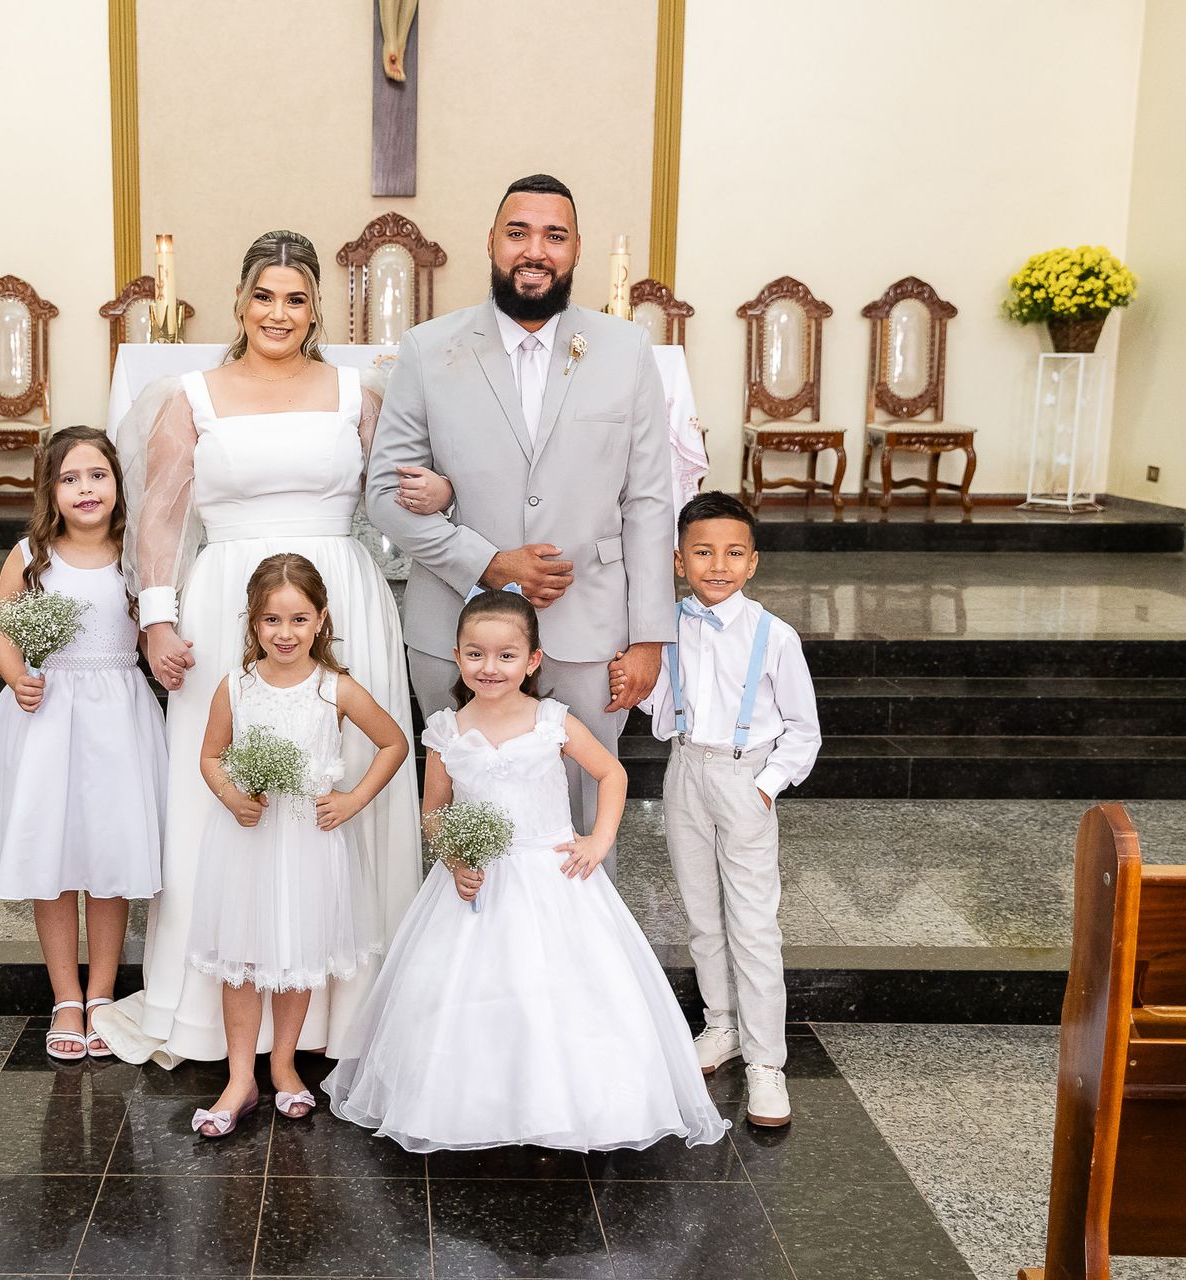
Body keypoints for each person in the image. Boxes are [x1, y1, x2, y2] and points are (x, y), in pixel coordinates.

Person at [93, 230, 425, 1067]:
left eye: (297, 298)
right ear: (240, 302)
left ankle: (347, 1009)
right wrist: (158, 618)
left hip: (338, 598)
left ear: (316, 310)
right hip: (224, 604)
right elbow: (163, 516)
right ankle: (217, 1008)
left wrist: (443, 489)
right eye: (265, 296)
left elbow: (395, 494)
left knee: (340, 786)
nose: (279, 312)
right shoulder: (190, 395)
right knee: (223, 796)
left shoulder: (359, 392)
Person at [323, 590, 727, 1153]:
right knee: (472, 994)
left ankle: (568, 1105)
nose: (491, 668)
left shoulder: (551, 720)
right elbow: (434, 813)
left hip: (554, 876)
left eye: (506, 656)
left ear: (533, 660)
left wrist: (598, 839)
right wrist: (456, 858)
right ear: (459, 657)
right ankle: (477, 1104)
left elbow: (612, 775)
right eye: (477, 655)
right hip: (476, 883)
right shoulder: (445, 730)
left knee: (561, 992)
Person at [366, 173, 674, 847]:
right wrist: (492, 563)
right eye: (519, 232)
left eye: (554, 235)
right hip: (457, 629)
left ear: (575, 250)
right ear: (492, 243)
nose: (536, 250)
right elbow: (385, 497)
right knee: (470, 827)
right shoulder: (428, 348)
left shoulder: (626, 352)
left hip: (591, 628)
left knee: (586, 819)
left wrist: (651, 637)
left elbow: (649, 499)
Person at [0, 426, 165, 1061]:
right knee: (53, 857)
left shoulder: (138, 555)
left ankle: (102, 993)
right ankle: (64, 995)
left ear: (119, 483)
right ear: (50, 491)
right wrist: (18, 677)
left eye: (97, 475)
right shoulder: (31, 554)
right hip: (47, 718)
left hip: (118, 718)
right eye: (69, 478)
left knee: (109, 856)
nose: (85, 489)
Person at [185, 554, 407, 1137]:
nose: (286, 634)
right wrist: (233, 795)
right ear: (252, 623)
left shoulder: (335, 689)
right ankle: (240, 1078)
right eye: (272, 621)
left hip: (309, 841)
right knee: (241, 960)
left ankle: (283, 1065)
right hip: (248, 842)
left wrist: (353, 799)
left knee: (298, 953)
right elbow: (210, 755)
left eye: (299, 619)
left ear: (322, 620)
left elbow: (393, 743)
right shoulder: (235, 687)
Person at [641, 492, 821, 1128]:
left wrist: (768, 785)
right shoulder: (664, 629)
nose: (718, 564)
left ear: (754, 563)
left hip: (747, 778)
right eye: (703, 551)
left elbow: (805, 729)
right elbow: (660, 703)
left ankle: (767, 1062)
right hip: (686, 769)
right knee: (700, 912)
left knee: (752, 922)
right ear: (678, 560)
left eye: (733, 552)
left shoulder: (776, 637)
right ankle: (720, 1027)